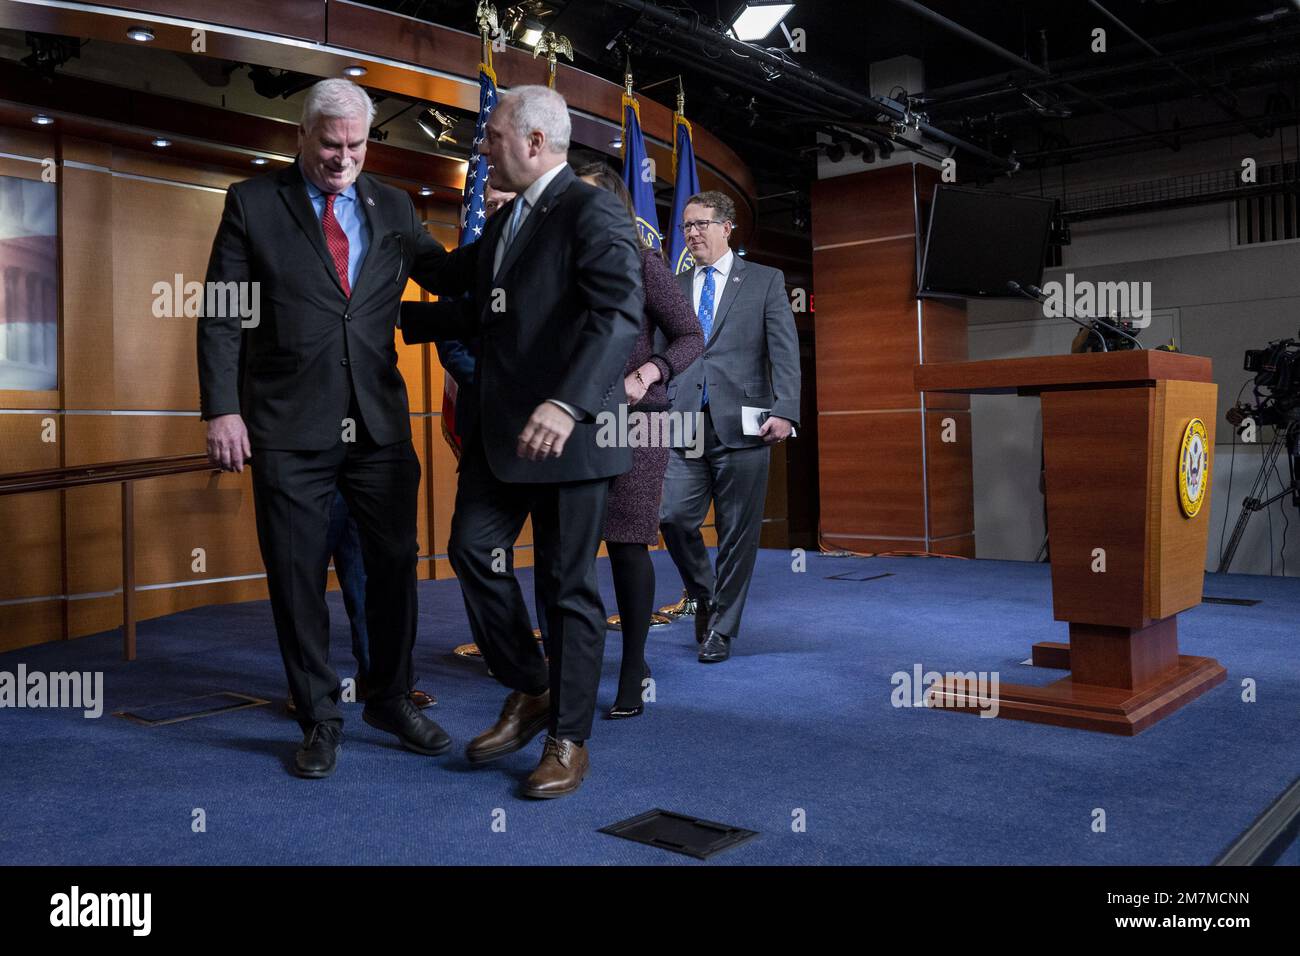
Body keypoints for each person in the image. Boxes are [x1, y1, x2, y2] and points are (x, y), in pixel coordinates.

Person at [198, 78, 466, 779]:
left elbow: (445, 276)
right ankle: (318, 714)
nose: (343, 157)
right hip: (288, 426)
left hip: (378, 424)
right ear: (301, 135)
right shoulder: (253, 204)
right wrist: (221, 409)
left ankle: (390, 697)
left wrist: (519, 239)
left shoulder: (394, 205)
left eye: (356, 144)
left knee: (393, 569)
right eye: (330, 143)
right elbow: (223, 312)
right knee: (296, 577)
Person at [399, 85, 642, 798]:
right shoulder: (508, 225)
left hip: (573, 434)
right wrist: (390, 221)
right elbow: (460, 288)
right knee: (472, 550)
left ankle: (569, 738)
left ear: (535, 142)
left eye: (493, 137)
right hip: (502, 434)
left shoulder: (591, 208)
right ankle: (532, 686)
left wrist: (567, 402)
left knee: (566, 589)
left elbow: (617, 314)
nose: (482, 149)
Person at [573, 161, 703, 718]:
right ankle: (576, 661)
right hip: (576, 419)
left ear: (619, 209)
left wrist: (648, 373)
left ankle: (632, 666)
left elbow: (690, 334)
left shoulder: (645, 264)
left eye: (597, 201)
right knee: (574, 551)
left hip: (637, 420)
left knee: (627, 543)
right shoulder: (561, 267)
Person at [658, 190, 801, 663]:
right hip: (683, 422)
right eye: (686, 226)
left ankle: (721, 628)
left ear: (727, 227)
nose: (693, 233)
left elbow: (783, 350)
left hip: (745, 426)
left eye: (701, 224)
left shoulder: (763, 280)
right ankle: (705, 593)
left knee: (739, 532)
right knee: (672, 517)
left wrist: (786, 408)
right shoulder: (672, 285)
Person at [284, 491, 435, 716]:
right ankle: (309, 688)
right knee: (306, 584)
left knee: (368, 580)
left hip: (361, 473)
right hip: (311, 475)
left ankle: (378, 680)